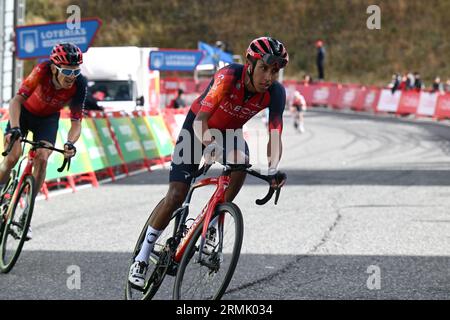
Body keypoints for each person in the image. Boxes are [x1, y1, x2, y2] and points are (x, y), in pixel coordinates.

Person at [128, 36, 289, 288]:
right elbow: (201, 120)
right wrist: (210, 146)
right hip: (198, 127)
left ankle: (212, 223)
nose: (269, 77)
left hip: (231, 133)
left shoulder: (276, 93)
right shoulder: (228, 76)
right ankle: (142, 257)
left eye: (274, 71)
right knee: (176, 194)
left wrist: (273, 169)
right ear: (250, 64)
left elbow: (275, 133)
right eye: (264, 68)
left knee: (241, 164)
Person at [0, 43, 86, 240]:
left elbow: (76, 122)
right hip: (23, 114)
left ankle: (26, 215)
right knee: (13, 157)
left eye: (76, 71)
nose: (71, 76)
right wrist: (14, 128)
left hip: (47, 119)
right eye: (66, 71)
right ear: (55, 68)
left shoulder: (79, 84)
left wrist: (70, 143)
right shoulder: (42, 70)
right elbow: (16, 101)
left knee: (42, 157)